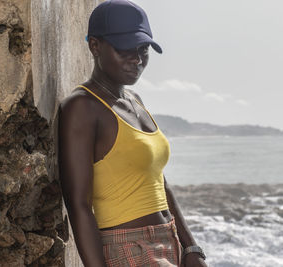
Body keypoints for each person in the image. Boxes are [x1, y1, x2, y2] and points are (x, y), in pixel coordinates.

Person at [57, 1, 207, 266]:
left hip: (168, 241)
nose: (137, 59)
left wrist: (190, 246)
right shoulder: (82, 107)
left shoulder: (134, 100)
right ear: (95, 45)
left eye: (143, 49)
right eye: (125, 49)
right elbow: (78, 204)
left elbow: (158, 180)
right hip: (130, 249)